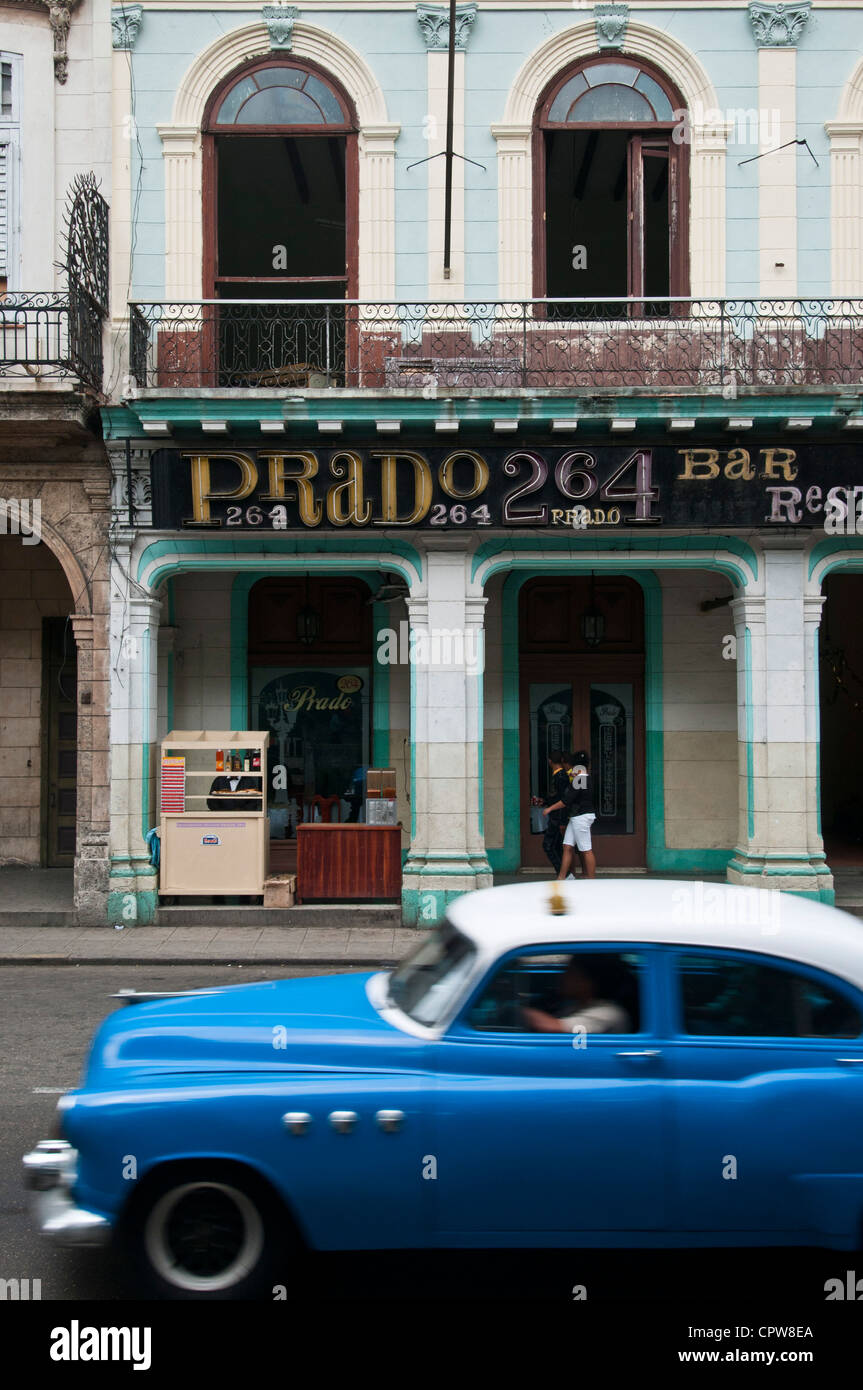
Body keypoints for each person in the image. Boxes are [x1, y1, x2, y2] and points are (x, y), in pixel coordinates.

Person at [521, 953, 631, 1034]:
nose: (563, 977)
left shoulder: (609, 1013)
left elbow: (553, 1026)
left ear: (588, 981)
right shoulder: (574, 1005)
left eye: (571, 973)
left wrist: (516, 1010)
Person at [558, 748, 596, 881]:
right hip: (577, 817)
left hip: (581, 817)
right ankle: (562, 877)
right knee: (567, 846)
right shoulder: (583, 778)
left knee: (586, 849)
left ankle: (591, 879)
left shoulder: (581, 779)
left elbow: (567, 799)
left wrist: (549, 808)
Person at [535, 753, 570, 874]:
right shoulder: (558, 776)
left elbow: (564, 800)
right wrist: (544, 801)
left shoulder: (561, 777)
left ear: (550, 761)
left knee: (548, 845)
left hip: (557, 817)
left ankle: (563, 874)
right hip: (556, 816)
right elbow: (556, 797)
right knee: (556, 846)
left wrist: (562, 820)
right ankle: (564, 874)